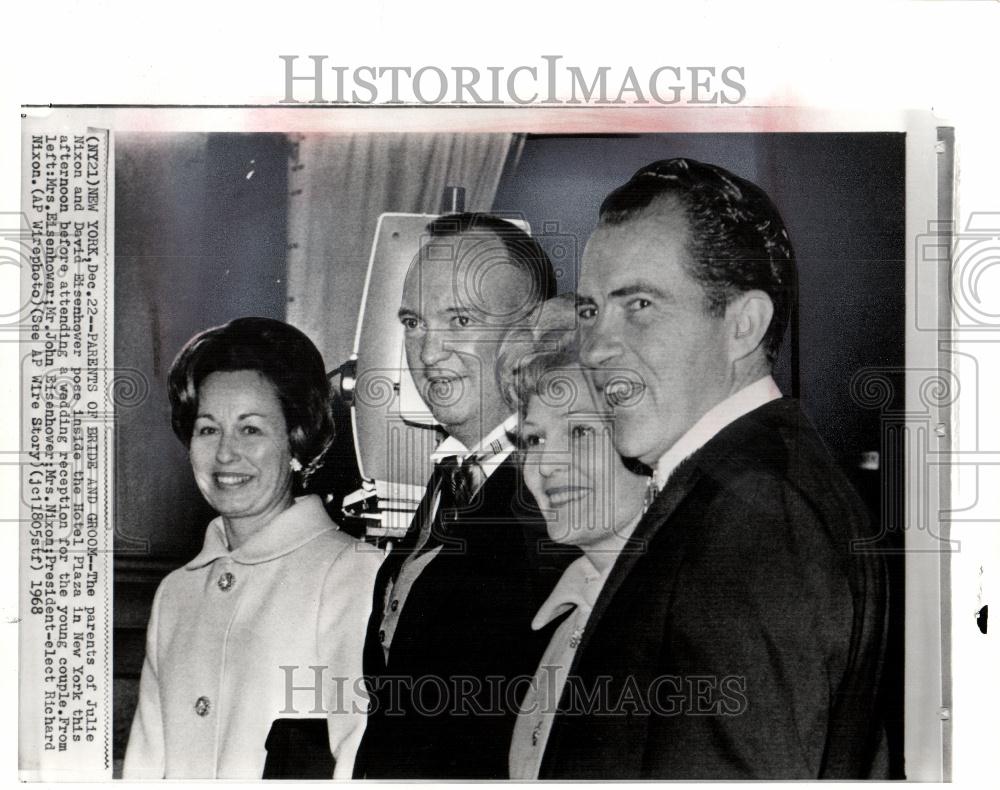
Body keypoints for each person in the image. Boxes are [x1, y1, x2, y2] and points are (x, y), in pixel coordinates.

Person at [537, 159, 889, 779]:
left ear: (744, 325)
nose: (594, 349)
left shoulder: (757, 516)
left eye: (639, 304)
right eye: (591, 310)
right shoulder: (734, 487)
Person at [123, 317, 382, 780]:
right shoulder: (175, 594)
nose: (225, 455)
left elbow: (357, 754)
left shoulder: (351, 572)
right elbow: (146, 767)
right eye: (208, 429)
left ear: (296, 441)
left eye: (250, 430)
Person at [353, 213, 563, 779]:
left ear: (531, 334)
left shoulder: (558, 493)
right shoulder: (453, 476)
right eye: (414, 321)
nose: (428, 350)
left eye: (461, 318)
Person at [497, 295, 652, 780]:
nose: (545, 465)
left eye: (581, 432)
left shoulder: (684, 614)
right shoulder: (565, 617)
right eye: (533, 440)